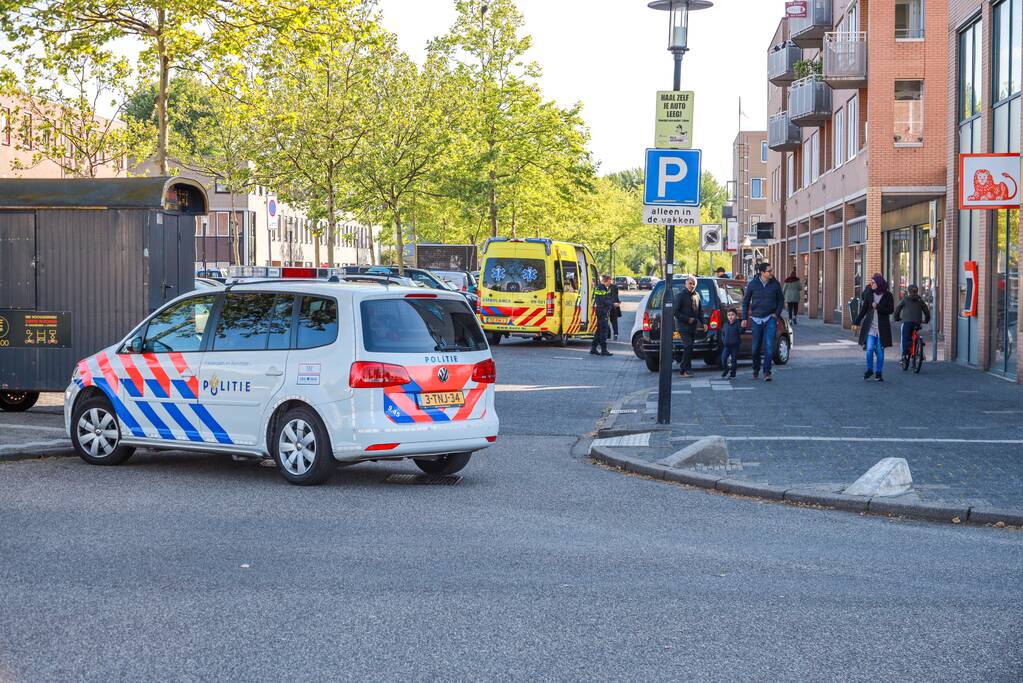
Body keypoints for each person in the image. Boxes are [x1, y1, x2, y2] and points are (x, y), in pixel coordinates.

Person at [741, 262, 784, 382]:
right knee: (755, 348)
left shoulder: (775, 284)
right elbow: (745, 302)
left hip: (770, 318)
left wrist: (776, 314)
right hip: (756, 319)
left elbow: (781, 300)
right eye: (769, 271)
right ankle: (755, 369)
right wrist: (744, 318)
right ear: (762, 272)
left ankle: (767, 372)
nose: (772, 273)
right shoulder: (753, 284)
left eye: (772, 270)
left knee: (769, 346)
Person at [853, 273, 895, 382]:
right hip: (870, 327)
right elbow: (863, 310)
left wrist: (878, 307)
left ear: (879, 283)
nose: (871, 284)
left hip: (882, 328)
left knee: (880, 352)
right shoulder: (869, 294)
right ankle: (870, 369)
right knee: (869, 349)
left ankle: (879, 373)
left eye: (873, 283)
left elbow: (891, 310)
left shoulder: (888, 295)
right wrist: (856, 322)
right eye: (871, 283)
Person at [673, 275, 703, 377]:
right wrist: (687, 319)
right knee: (688, 345)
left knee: (689, 347)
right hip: (682, 326)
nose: (692, 285)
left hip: (693, 327)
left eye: (694, 284)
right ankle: (687, 369)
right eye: (690, 283)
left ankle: (682, 368)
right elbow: (675, 312)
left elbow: (700, 311)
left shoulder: (697, 295)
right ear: (685, 284)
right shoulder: (680, 295)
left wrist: (704, 323)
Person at [894, 283, 931, 361]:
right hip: (917, 322)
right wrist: (927, 320)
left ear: (908, 291)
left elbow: (897, 309)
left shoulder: (905, 299)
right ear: (917, 291)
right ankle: (919, 349)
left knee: (904, 337)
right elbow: (926, 311)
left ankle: (904, 355)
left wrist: (896, 318)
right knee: (914, 334)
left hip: (906, 322)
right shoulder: (920, 300)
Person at [590, 275, 613, 356]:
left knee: (599, 330)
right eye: (610, 282)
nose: (610, 284)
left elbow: (604, 299)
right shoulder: (601, 288)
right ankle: (604, 350)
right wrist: (613, 304)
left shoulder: (601, 287)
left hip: (601, 311)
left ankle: (593, 348)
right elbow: (603, 300)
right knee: (604, 331)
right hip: (602, 312)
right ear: (606, 281)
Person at [719, 307, 742, 379]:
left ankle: (733, 374)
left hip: (735, 345)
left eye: (732, 315)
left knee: (733, 360)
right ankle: (726, 370)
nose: (730, 317)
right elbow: (723, 333)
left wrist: (743, 327)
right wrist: (723, 340)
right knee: (723, 358)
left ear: (736, 316)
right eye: (729, 315)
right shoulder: (725, 324)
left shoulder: (738, 324)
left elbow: (741, 332)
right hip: (727, 345)